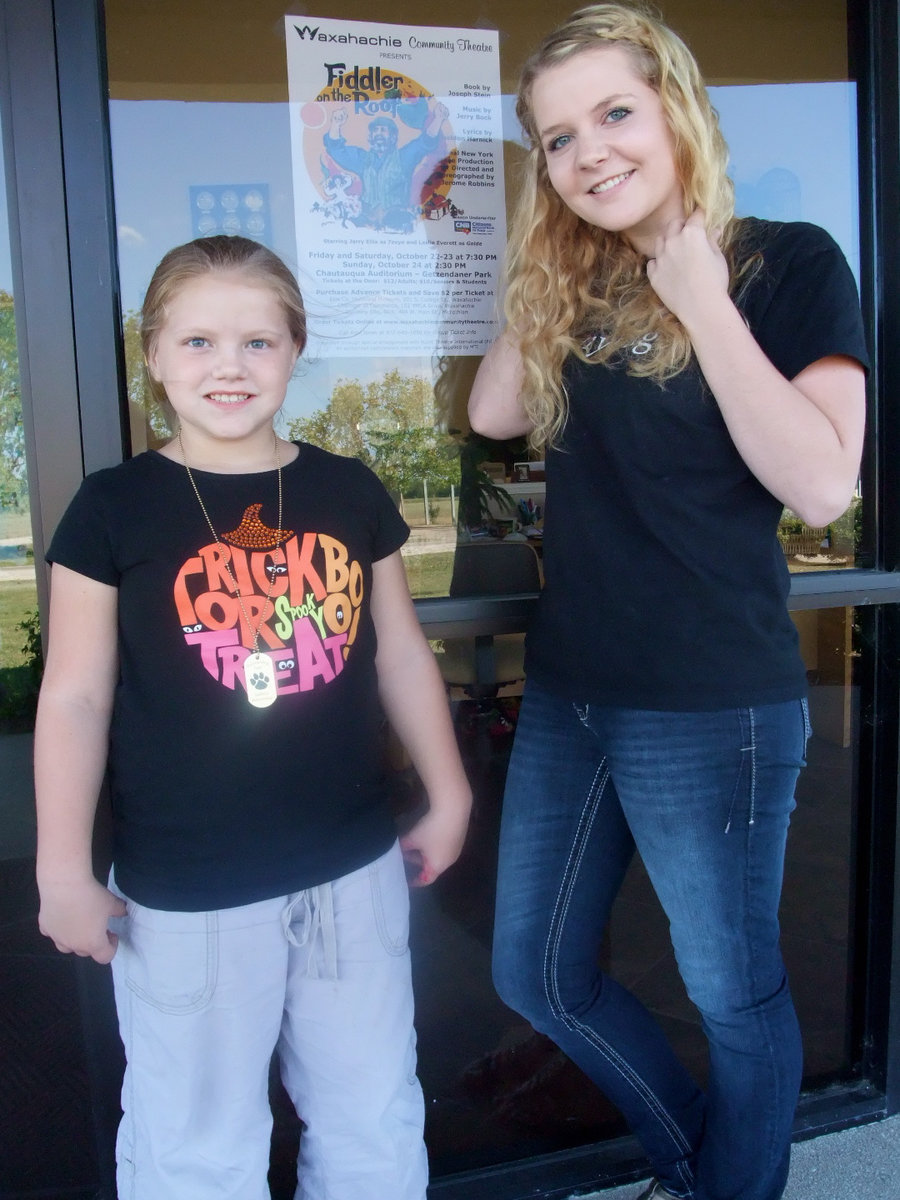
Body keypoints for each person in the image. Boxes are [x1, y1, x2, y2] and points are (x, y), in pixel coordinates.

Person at [468, 6, 867, 1200]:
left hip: (711, 704)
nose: (588, 151)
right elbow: (493, 413)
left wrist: (702, 295)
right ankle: (704, 1163)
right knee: (538, 975)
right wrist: (544, 259)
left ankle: (724, 1185)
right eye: (556, 139)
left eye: (614, 114)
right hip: (574, 693)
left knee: (733, 996)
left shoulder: (788, 263)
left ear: (677, 108)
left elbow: (822, 486)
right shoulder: (577, 285)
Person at [34, 234, 472, 1200]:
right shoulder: (112, 509)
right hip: (191, 892)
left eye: (257, 342)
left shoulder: (347, 489)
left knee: (372, 1118)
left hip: (352, 871)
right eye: (197, 341)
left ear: (294, 351)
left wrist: (450, 795)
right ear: (153, 354)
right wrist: (61, 868)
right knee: (196, 1147)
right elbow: (74, 695)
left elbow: (400, 654)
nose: (227, 366)